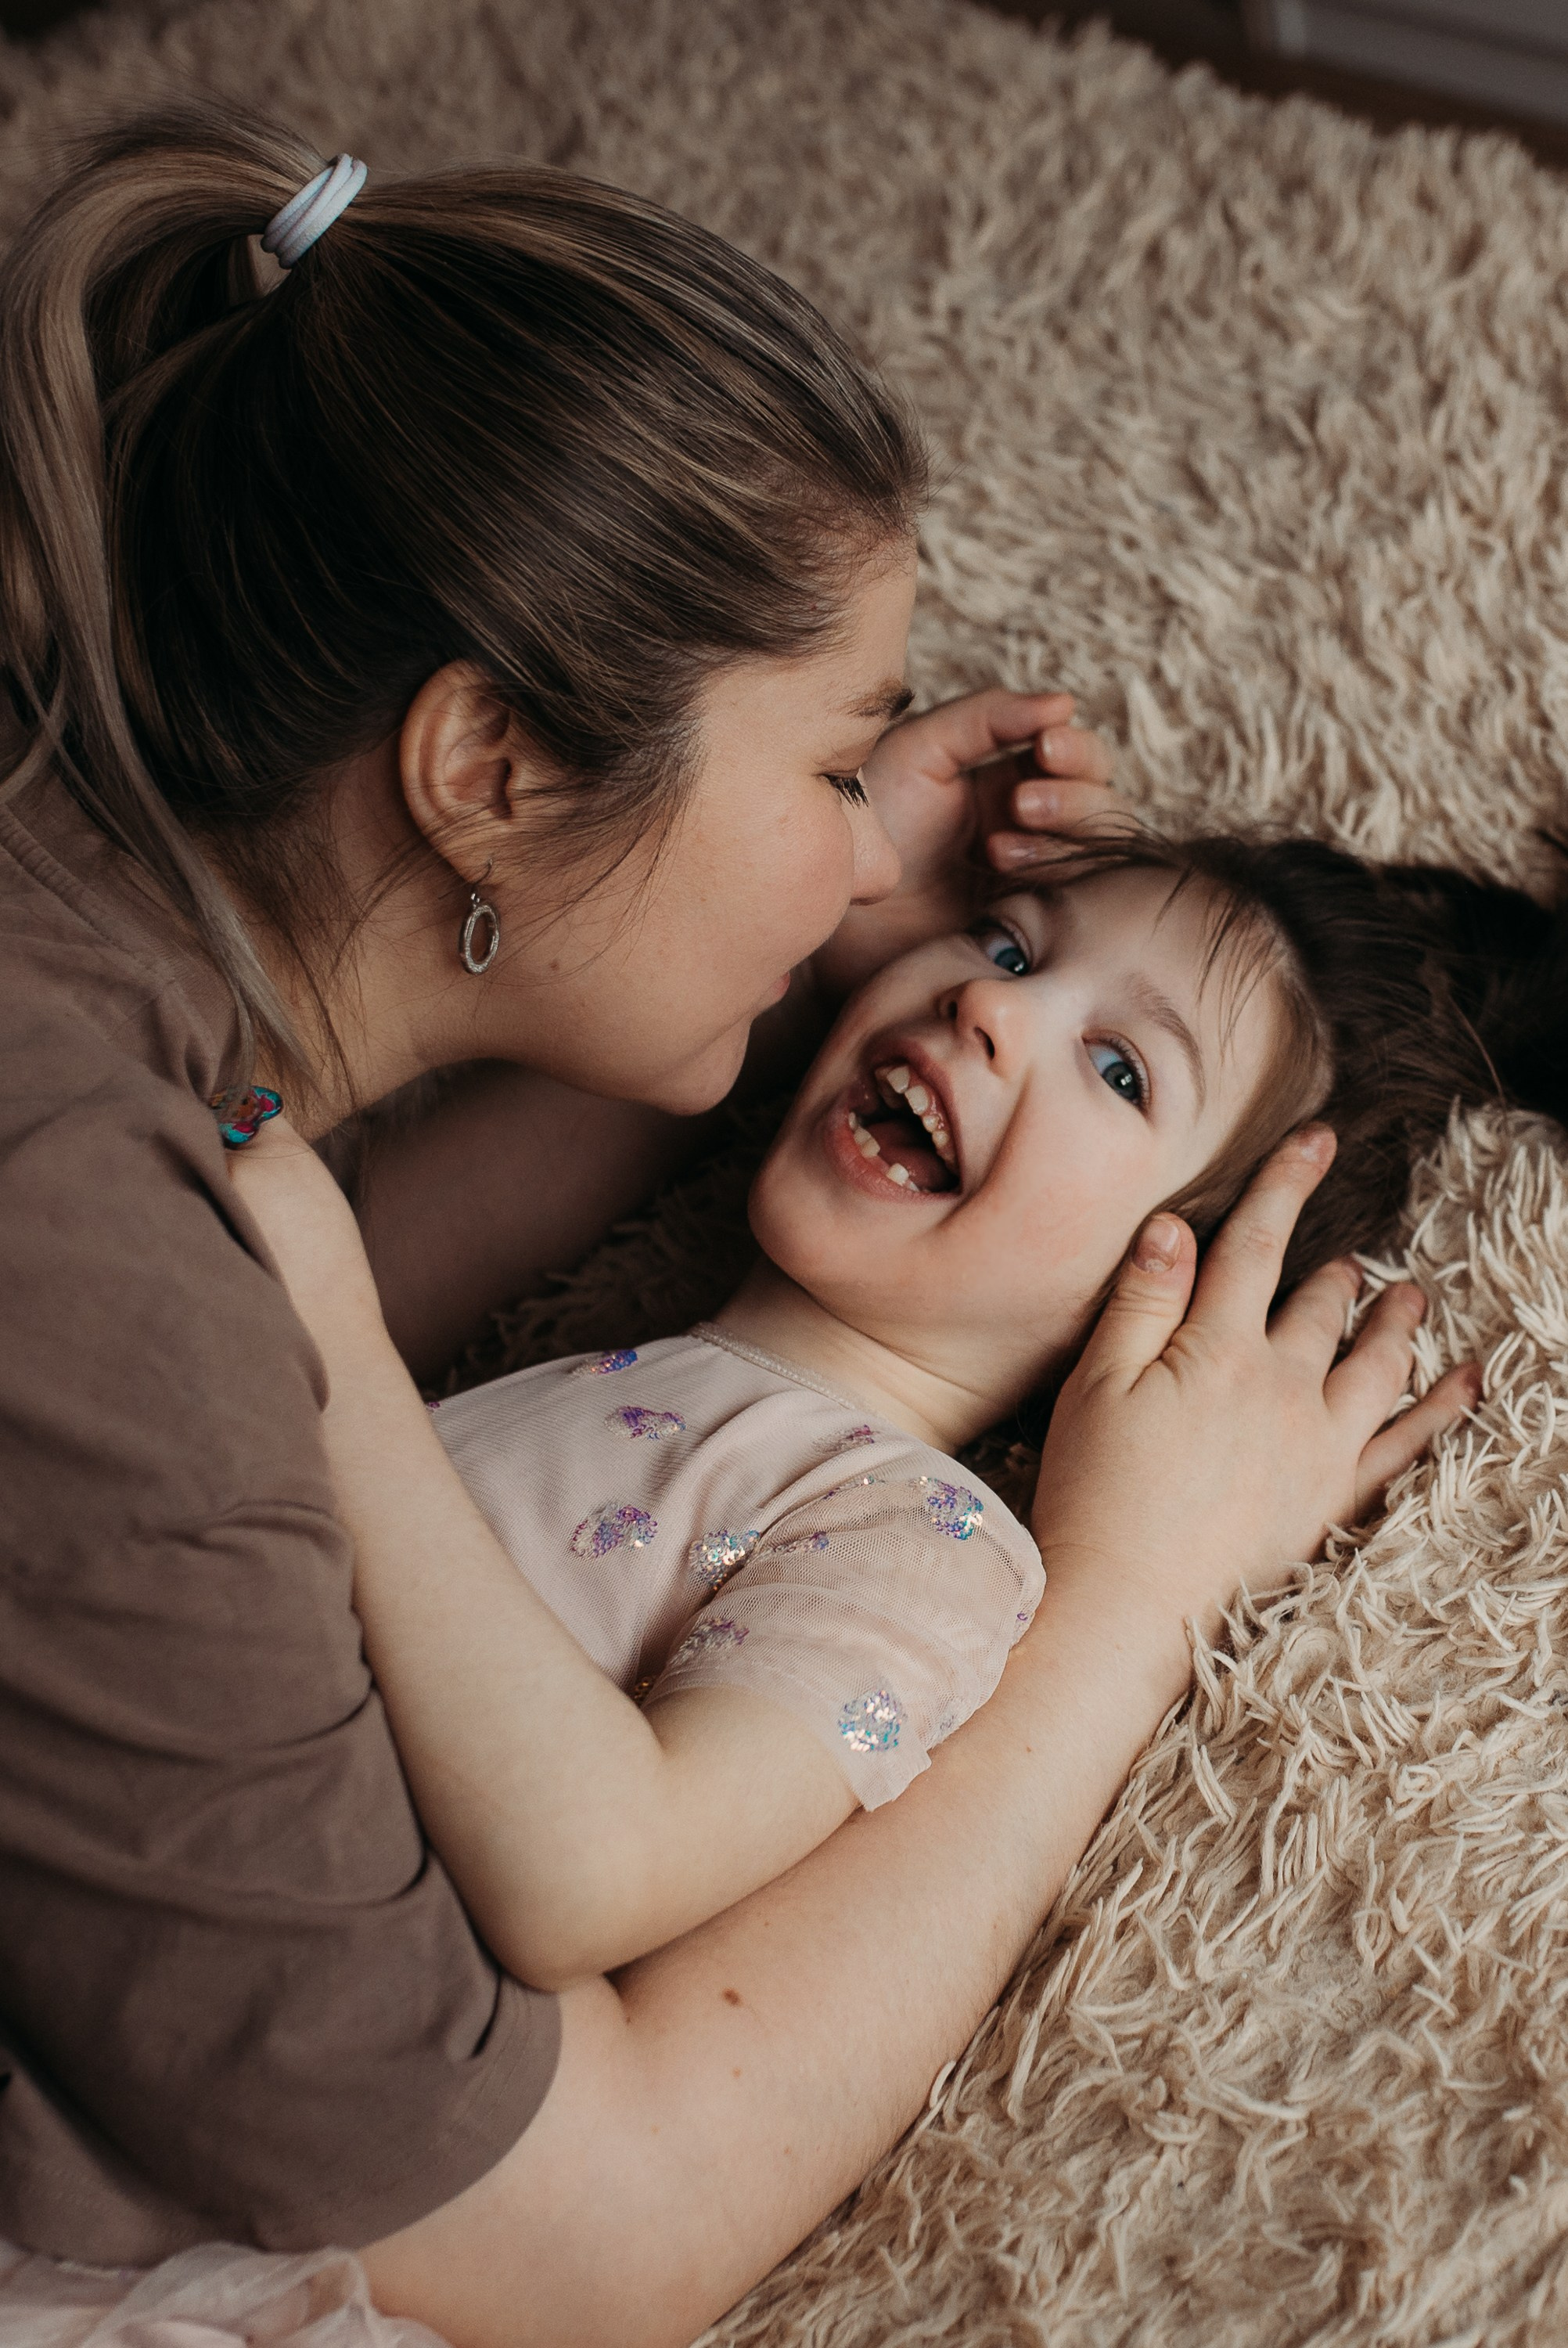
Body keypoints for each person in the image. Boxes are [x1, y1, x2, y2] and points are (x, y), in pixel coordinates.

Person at [0, 92, 1472, 2348]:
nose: (899, 916)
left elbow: (566, 1804)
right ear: (489, 771)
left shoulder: (908, 1546)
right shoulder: (108, 1236)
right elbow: (246, 1349)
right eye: (829, 771)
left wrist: (731, 936)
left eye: (1110, 1063)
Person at [233, 816, 1556, 2001]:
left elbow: (594, 1870)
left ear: (1178, 1301)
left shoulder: (920, 1539)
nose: (990, 1003)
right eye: (1010, 943)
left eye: (1121, 1071)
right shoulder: (635, 1369)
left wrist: (334, 1342)